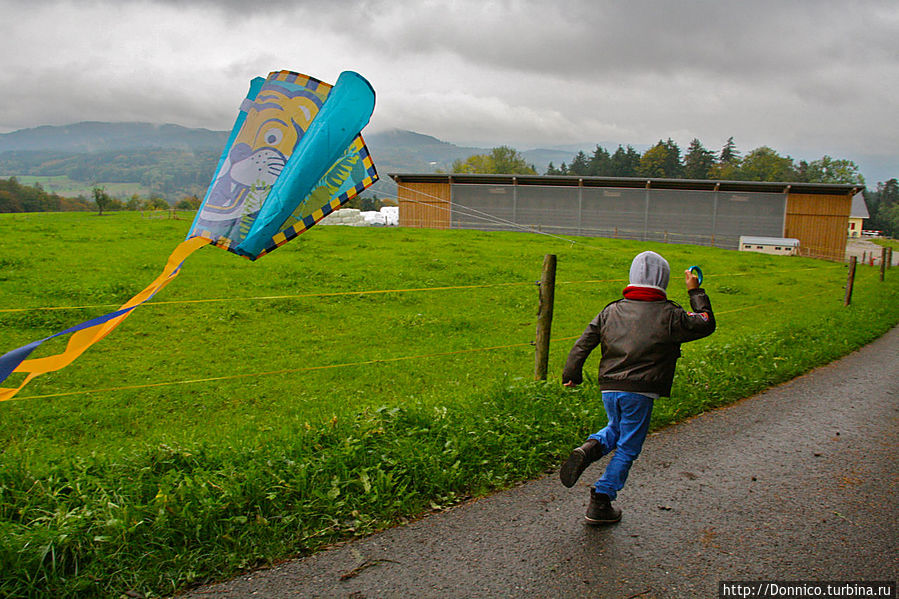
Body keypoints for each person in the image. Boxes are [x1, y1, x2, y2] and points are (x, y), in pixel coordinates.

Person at [560, 250, 715, 524]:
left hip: (609, 387)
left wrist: (572, 372)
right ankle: (602, 499)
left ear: (632, 277)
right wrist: (695, 290)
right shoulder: (671, 314)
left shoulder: (611, 310)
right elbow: (705, 323)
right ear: (663, 280)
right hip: (641, 390)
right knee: (629, 447)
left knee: (616, 427)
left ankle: (589, 449)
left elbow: (584, 342)